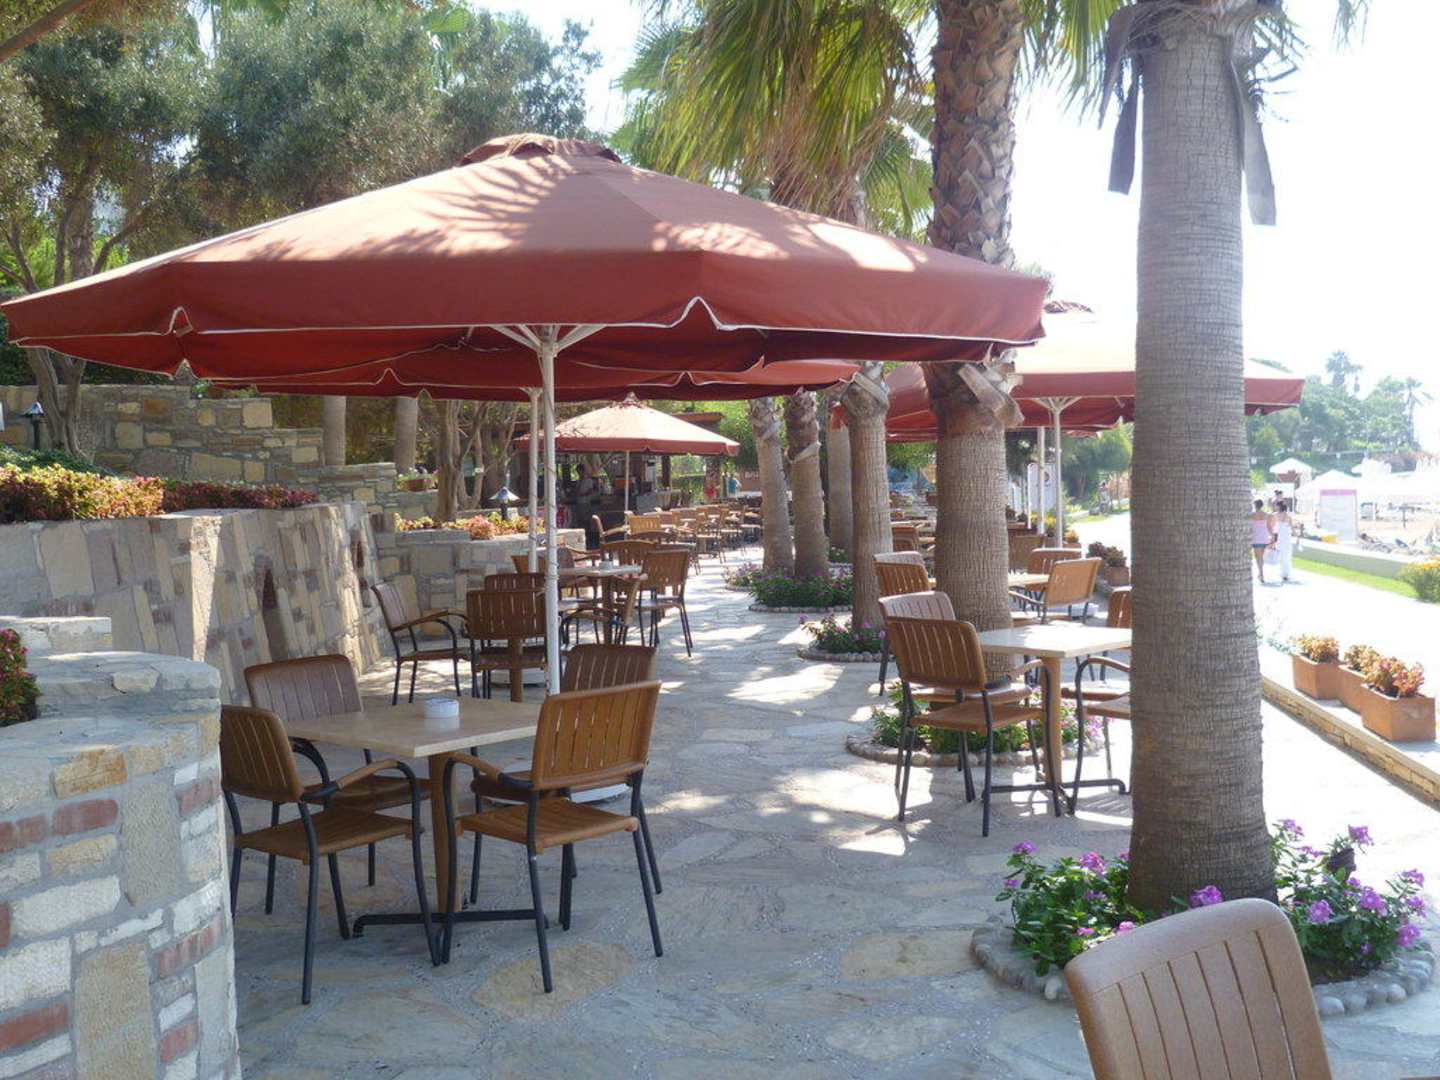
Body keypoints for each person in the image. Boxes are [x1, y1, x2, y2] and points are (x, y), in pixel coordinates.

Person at [1250, 499, 1275, 584]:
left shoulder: (1252, 515)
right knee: (1261, 557)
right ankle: (1260, 573)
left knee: (1258, 557)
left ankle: (1261, 574)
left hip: (1256, 538)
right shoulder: (1266, 515)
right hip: (1264, 538)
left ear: (1255, 505)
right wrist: (1272, 536)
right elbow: (1269, 527)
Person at [1272, 499, 1295, 582]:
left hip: (1279, 537)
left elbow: (1272, 526)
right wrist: (1297, 537)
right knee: (1286, 555)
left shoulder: (1275, 515)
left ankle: (1283, 573)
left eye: (1276, 505)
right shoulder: (1288, 516)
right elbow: (1292, 528)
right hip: (1286, 537)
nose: (1275, 507)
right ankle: (1286, 573)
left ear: (1279, 506)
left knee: (1281, 555)